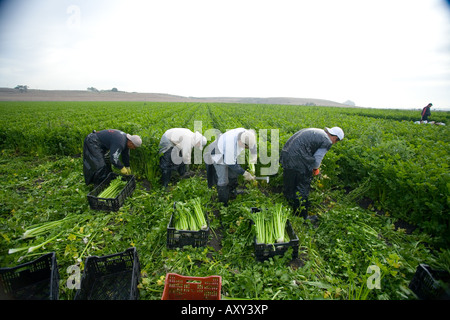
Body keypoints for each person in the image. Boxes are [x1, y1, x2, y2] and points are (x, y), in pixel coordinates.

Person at [280, 127, 344, 219]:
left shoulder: (317, 132)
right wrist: (315, 169)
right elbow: (318, 158)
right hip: (298, 160)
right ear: (335, 138)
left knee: (290, 182)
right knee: (302, 186)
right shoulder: (327, 141)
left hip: (286, 155)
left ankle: (288, 205)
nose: (334, 143)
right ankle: (302, 216)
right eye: (336, 141)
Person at [205, 128, 256, 206]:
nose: (247, 149)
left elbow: (252, 141)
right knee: (223, 179)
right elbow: (230, 163)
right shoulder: (230, 145)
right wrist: (245, 173)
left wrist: (254, 155)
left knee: (233, 174)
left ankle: (231, 192)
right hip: (217, 153)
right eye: (247, 147)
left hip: (227, 151)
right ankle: (223, 202)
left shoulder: (246, 134)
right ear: (241, 143)